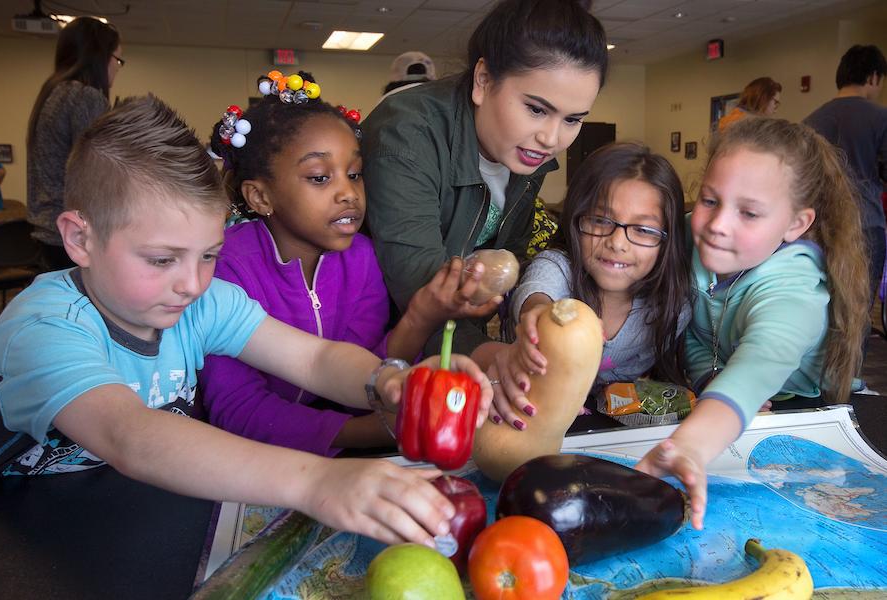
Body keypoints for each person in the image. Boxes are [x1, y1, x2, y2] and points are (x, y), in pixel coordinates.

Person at [0, 95, 494, 548]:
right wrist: (317, 482)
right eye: (162, 259)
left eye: (208, 255)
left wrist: (394, 381)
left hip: (138, 513)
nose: (192, 283)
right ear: (80, 239)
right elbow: (132, 436)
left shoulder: (204, 303)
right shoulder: (46, 325)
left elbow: (315, 359)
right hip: (26, 533)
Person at [200, 72, 497, 456]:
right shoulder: (225, 270)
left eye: (355, 174)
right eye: (320, 177)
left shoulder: (362, 258)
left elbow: (366, 370)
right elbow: (238, 410)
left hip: (337, 449)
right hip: (245, 461)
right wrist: (367, 432)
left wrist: (421, 315)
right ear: (260, 196)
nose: (348, 193)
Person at [636, 117, 869, 530]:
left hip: (814, 410)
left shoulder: (793, 287)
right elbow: (695, 330)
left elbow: (759, 366)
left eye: (749, 213)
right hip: (728, 406)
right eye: (709, 200)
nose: (718, 224)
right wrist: (707, 375)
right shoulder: (695, 246)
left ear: (796, 224)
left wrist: (690, 444)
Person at [361, 0, 608, 356]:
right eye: (537, 109)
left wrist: (532, 311)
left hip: (455, 346)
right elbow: (421, 289)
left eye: (572, 119)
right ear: (483, 80)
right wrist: (495, 363)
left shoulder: (526, 150)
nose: (552, 139)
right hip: (372, 349)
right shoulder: (406, 136)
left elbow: (510, 258)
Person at [480, 143, 691, 425]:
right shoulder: (560, 267)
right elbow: (537, 292)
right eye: (601, 221)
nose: (617, 243)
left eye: (642, 230)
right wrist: (543, 317)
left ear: (667, 240)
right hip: (524, 414)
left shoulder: (672, 307)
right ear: (575, 220)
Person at [26, 16, 123, 270]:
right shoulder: (85, 96)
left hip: (49, 227)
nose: (117, 69)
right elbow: (98, 171)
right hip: (74, 230)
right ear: (100, 57)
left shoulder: (54, 92)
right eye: (118, 60)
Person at [804, 45, 887, 318]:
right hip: (866, 226)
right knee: (856, 315)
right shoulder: (880, 118)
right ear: (874, 77)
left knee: (821, 308)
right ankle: (851, 363)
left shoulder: (810, 121)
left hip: (819, 226)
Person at [717, 77, 782, 131]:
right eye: (775, 102)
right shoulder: (739, 123)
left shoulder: (751, 121)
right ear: (763, 98)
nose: (775, 109)